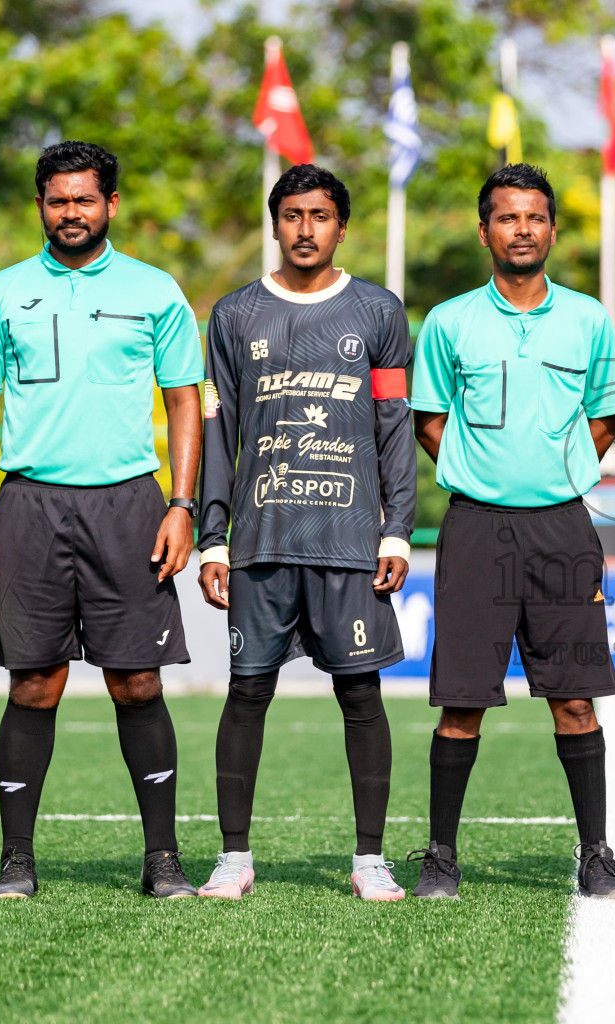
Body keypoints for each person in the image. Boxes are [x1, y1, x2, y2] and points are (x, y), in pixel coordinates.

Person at [0, 141, 203, 899]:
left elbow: (185, 399)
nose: (70, 214)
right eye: (57, 201)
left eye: (84, 200)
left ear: (110, 206)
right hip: (28, 504)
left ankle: (162, 859)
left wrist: (182, 506)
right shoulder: (1, 292)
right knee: (34, 684)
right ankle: (16, 861)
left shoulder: (156, 291)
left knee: (136, 681)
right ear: (40, 206)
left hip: (129, 503)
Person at [406, 164, 615, 900]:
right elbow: (430, 420)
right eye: (507, 218)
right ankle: (441, 855)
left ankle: (595, 855)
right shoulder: (448, 321)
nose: (523, 230)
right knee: (463, 699)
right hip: (476, 527)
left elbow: (605, 418)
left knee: (574, 697)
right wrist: (487, 476)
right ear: (485, 231)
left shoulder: (589, 319)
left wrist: (555, 474)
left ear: (553, 230)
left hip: (563, 530)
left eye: (535, 217)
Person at [193, 164, 416, 902]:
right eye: (292, 214)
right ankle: (233, 857)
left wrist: (397, 531)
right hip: (261, 538)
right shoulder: (233, 316)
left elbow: (393, 429)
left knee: (361, 694)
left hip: (350, 540)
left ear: (341, 226)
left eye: (320, 215)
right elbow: (217, 433)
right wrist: (212, 536)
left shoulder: (379, 312)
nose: (305, 228)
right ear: (276, 222)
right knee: (246, 692)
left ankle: (369, 860)